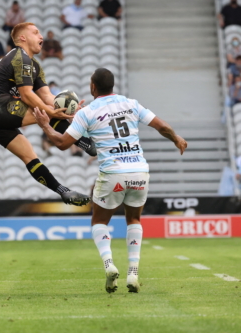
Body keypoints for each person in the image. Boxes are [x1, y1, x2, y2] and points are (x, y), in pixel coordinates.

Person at [33, 68, 188, 293]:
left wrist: (45, 124)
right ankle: (133, 273)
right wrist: (177, 138)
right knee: (134, 219)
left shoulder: (87, 113)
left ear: (93, 87)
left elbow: (63, 143)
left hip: (113, 173)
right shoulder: (131, 104)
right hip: (139, 171)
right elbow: (161, 126)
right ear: (112, 85)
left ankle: (109, 264)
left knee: (99, 221)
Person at [0, 22, 93, 206]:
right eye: (36, 32)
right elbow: (27, 95)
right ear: (23, 38)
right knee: (44, 112)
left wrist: (71, 109)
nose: (41, 36)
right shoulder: (20, 57)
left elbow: (47, 96)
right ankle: (85, 143)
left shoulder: (33, 65)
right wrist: (52, 111)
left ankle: (63, 191)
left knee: (30, 157)